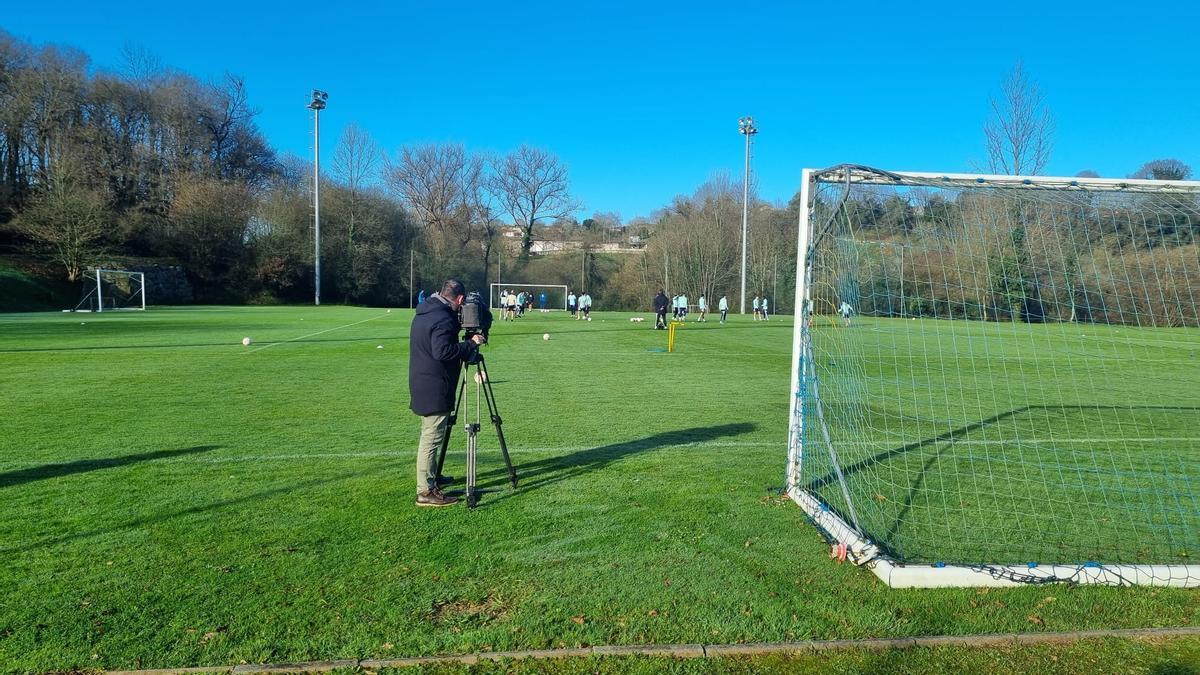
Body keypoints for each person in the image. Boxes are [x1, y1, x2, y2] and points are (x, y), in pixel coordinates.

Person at [409, 279, 484, 507]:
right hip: (434, 385)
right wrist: (470, 344)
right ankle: (425, 491)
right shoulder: (442, 318)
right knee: (431, 438)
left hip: (424, 381)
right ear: (460, 299)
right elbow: (443, 351)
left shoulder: (427, 312)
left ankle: (432, 477)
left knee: (431, 435)